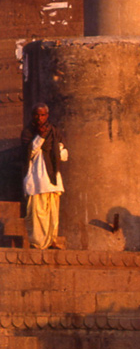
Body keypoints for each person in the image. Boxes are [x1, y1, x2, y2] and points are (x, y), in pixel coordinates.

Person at [22, 103, 66, 249]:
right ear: (33, 115)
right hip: (35, 179)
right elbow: (28, 153)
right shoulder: (28, 132)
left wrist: (58, 152)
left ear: (47, 115)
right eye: (37, 115)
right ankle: (38, 243)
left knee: (52, 213)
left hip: (52, 178)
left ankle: (51, 241)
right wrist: (40, 137)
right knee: (36, 213)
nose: (39, 118)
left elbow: (64, 153)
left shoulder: (54, 131)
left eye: (42, 115)